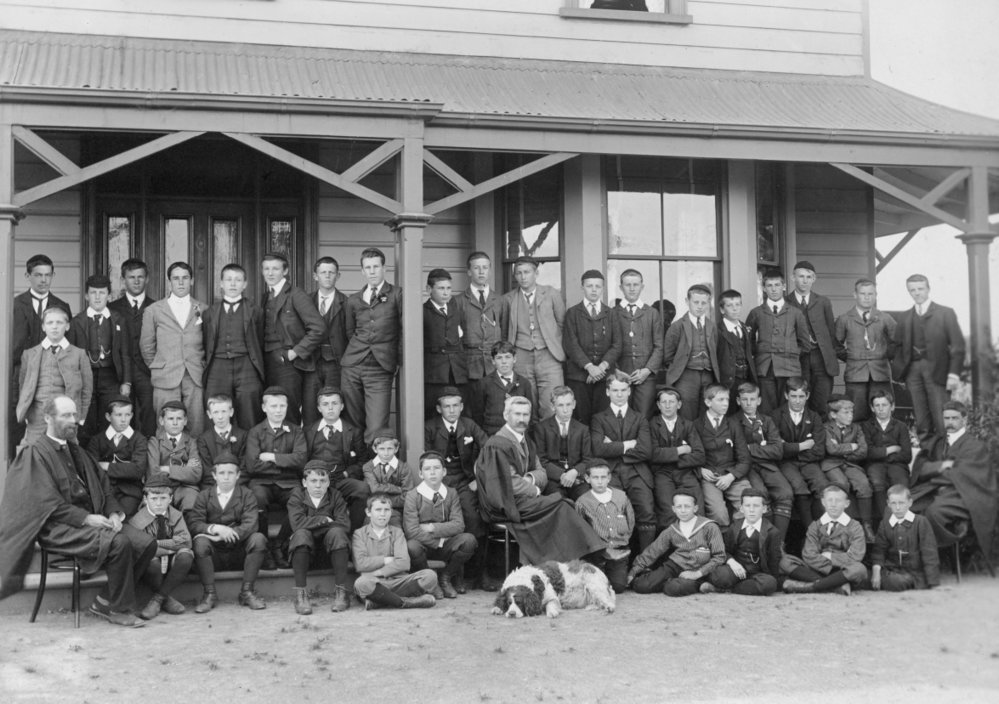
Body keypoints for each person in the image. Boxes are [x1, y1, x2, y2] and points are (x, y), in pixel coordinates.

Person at [0, 396, 156, 627]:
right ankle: (120, 610)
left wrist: (114, 513)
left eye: (74, 415)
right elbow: (44, 503)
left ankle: (104, 601)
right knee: (120, 542)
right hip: (59, 528)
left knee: (146, 544)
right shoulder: (35, 454)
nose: (73, 420)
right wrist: (86, 518)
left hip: (94, 521)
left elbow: (104, 488)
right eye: (65, 415)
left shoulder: (78, 452)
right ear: (47, 418)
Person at [475, 396, 606, 564]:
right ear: (506, 415)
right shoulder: (497, 444)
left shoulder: (526, 441)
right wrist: (535, 490)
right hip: (506, 504)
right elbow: (510, 484)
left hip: (522, 500)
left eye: (526, 414)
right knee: (562, 505)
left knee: (565, 504)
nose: (522, 419)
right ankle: (590, 556)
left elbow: (541, 472)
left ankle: (578, 558)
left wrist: (529, 478)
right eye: (517, 414)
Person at [910, 401, 997, 558]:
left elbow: (964, 475)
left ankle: (931, 555)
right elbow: (921, 468)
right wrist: (942, 465)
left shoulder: (974, 446)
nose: (950, 422)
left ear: (964, 420)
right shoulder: (938, 443)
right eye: (946, 418)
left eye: (954, 418)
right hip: (933, 490)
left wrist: (937, 473)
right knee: (906, 506)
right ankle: (912, 554)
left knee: (933, 513)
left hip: (963, 494)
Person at [188, 451, 268, 612]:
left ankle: (247, 591)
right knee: (200, 541)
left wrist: (227, 533)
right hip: (214, 555)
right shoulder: (204, 496)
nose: (226, 477)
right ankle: (209, 593)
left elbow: (250, 524)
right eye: (222, 473)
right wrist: (215, 529)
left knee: (258, 539)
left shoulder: (247, 495)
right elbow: (195, 523)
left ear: (238, 475)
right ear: (214, 475)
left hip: (239, 552)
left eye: (230, 473)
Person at [892, 273, 965, 440]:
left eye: (920, 289)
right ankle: (928, 458)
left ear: (928, 289)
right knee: (921, 417)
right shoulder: (904, 317)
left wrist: (953, 374)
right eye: (912, 290)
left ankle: (946, 458)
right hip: (913, 371)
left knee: (942, 416)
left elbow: (958, 345)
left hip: (938, 370)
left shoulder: (945, 313)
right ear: (908, 292)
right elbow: (897, 346)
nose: (917, 293)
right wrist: (901, 372)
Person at [341, 247, 403, 443]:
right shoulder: (353, 300)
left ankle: (371, 469)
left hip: (380, 367)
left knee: (376, 425)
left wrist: (397, 359)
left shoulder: (396, 294)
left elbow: (403, 330)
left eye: (376, 266)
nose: (372, 271)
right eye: (368, 267)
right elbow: (350, 331)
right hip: (352, 365)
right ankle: (357, 463)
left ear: (384, 268)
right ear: (362, 271)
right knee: (352, 420)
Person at [11, 255, 73, 449]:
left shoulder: (62, 306)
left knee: (51, 420)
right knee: (17, 420)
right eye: (38, 275)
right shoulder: (13, 305)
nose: (43, 280)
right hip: (19, 372)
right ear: (27, 275)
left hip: (51, 374)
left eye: (48, 275)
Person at [590, 371, 656, 550]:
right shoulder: (598, 419)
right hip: (612, 473)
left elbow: (646, 451)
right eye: (615, 390)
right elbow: (598, 449)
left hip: (637, 473)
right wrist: (628, 444)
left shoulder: (640, 418)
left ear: (629, 391)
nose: (619, 395)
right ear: (607, 392)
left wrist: (614, 447)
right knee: (614, 515)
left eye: (623, 390)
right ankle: (617, 565)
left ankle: (645, 565)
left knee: (647, 512)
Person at [139, 261, 206, 436]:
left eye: (185, 278)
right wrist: (159, 365)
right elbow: (147, 346)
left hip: (195, 375)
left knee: (196, 423)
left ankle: (193, 462)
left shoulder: (203, 309)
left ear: (191, 281)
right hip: (165, 375)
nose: (181, 282)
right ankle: (166, 462)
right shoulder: (154, 310)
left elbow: (209, 342)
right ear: (170, 282)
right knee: (166, 424)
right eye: (176, 278)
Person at [259, 253, 325, 425]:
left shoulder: (296, 295)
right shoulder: (265, 297)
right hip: (266, 361)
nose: (270, 273)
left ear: (285, 271)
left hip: (287, 363)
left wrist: (295, 352)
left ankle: (292, 451)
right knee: (270, 410)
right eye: (266, 269)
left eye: (275, 268)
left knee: (287, 410)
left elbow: (318, 328)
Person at [245, 386, 307, 569]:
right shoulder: (255, 432)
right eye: (273, 406)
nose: (278, 410)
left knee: (300, 499)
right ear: (264, 408)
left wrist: (271, 457)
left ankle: (278, 544)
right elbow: (252, 465)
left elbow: (301, 459)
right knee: (257, 498)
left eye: (282, 406)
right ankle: (263, 548)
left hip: (289, 482)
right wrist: (285, 464)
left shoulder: (296, 431)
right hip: (261, 482)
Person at [67, 274, 133, 441]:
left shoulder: (118, 320)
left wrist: (126, 382)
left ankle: (105, 458)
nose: (97, 297)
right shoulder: (76, 322)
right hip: (85, 377)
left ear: (109, 296)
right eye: (93, 293)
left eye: (102, 293)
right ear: (86, 296)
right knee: (86, 417)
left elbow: (125, 353)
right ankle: (87, 459)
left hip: (110, 376)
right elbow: (71, 356)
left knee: (108, 416)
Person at [403, 451, 478, 599]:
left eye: (436, 468)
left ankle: (446, 577)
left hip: (446, 544)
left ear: (444, 472)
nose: (432, 473)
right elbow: (412, 530)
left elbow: (458, 525)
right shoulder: (413, 495)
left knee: (469, 540)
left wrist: (432, 527)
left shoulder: (451, 493)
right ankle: (431, 582)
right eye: (427, 469)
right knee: (411, 545)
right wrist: (437, 541)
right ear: (420, 473)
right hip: (424, 545)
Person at [627, 491, 727, 596]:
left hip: (700, 567)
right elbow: (652, 552)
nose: (683, 510)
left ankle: (699, 584)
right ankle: (674, 581)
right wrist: (633, 571)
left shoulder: (709, 527)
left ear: (695, 508)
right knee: (641, 585)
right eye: (679, 507)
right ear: (674, 509)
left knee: (674, 588)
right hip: (676, 565)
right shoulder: (671, 530)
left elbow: (719, 557)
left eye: (687, 506)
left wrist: (697, 574)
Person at [202, 263, 265, 431]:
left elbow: (259, 339)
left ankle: (250, 454)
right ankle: (217, 454)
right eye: (228, 280)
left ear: (245, 284)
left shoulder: (256, 311)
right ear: (221, 283)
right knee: (216, 409)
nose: (232, 284)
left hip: (246, 365)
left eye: (238, 280)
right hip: (218, 365)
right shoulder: (209, 312)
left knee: (249, 411)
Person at [501, 256, 566, 419]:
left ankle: (550, 442)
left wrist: (553, 344)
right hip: (521, 355)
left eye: (527, 272)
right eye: (519, 273)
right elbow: (504, 330)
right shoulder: (508, 299)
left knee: (551, 403)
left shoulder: (551, 293)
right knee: (526, 402)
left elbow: (562, 323)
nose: (523, 277)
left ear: (536, 273)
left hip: (548, 355)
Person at [16, 306, 92, 445]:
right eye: (50, 323)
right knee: (35, 455)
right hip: (37, 416)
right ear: (43, 327)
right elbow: (23, 386)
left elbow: (87, 389)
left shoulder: (79, 354)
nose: (55, 327)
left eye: (59, 322)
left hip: (66, 416)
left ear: (67, 326)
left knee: (66, 457)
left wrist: (80, 418)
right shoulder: (30, 354)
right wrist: (26, 414)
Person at [286, 460, 352, 614]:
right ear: (304, 482)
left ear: (328, 482)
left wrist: (314, 526)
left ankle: (341, 593)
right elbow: (297, 524)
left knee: (337, 533)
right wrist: (324, 520)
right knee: (301, 534)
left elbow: (344, 525)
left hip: (330, 552)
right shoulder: (297, 496)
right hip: (304, 553)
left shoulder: (335, 496)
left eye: (322, 481)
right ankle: (301, 595)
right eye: (313, 481)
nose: (318, 486)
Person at [352, 493, 438, 610]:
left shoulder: (397, 532)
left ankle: (381, 601)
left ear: (391, 512)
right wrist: (386, 560)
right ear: (368, 512)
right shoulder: (359, 534)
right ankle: (406, 602)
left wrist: (378, 572)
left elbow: (403, 563)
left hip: (399, 581)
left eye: (386, 510)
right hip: (375, 582)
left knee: (430, 576)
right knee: (361, 584)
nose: (382, 514)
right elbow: (361, 563)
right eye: (378, 510)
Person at [127, 473, 194, 620]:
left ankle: (158, 599)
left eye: (163, 498)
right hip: (151, 565)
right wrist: (171, 546)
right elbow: (141, 549)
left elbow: (186, 541)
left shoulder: (175, 515)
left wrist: (157, 544)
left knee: (186, 555)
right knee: (151, 560)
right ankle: (165, 598)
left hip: (171, 563)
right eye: (154, 498)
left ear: (170, 498)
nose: (158, 503)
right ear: (145, 499)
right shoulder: (137, 521)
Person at [304, 386, 371, 530]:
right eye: (325, 404)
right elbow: (301, 458)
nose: (330, 408)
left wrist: (347, 473)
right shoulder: (308, 431)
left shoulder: (353, 431)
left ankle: (354, 531)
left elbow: (363, 461)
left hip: (340, 479)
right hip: (316, 480)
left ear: (342, 406)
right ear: (319, 408)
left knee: (362, 488)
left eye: (334, 403)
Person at [745, 270, 811, 414]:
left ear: (784, 286)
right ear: (763, 288)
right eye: (769, 285)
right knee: (766, 408)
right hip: (765, 367)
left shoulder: (795, 313)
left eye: (777, 285)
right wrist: (760, 353)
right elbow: (748, 342)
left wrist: (791, 352)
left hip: (789, 368)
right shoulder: (756, 312)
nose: (773, 289)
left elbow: (805, 343)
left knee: (787, 407)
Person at [734, 382, 794, 542]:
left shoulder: (767, 421)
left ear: (759, 400)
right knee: (760, 495)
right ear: (738, 401)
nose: (749, 403)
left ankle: (778, 543)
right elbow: (737, 452)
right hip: (748, 468)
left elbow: (778, 450)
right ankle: (765, 542)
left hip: (769, 466)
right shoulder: (733, 421)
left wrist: (750, 447)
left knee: (785, 493)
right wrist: (763, 447)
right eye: (744, 399)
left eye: (752, 399)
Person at [782, 484, 867, 595]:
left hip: (843, 570)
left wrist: (830, 556)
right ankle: (834, 585)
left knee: (859, 569)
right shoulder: (815, 526)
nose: (833, 504)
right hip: (817, 569)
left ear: (846, 504)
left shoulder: (855, 527)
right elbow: (809, 555)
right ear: (823, 502)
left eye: (838, 501)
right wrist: (829, 565)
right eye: (830, 500)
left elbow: (856, 556)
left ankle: (810, 587)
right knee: (785, 561)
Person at [835, 278, 897, 423]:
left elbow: (898, 341)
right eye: (863, 293)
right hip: (855, 374)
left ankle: (883, 444)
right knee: (855, 413)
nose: (867, 297)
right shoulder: (844, 319)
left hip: (880, 373)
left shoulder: (884, 318)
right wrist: (852, 358)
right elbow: (835, 345)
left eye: (871, 293)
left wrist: (885, 356)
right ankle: (860, 444)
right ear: (855, 295)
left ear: (876, 295)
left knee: (882, 412)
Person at [108, 258, 157, 436]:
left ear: (147, 279)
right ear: (123, 280)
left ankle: (146, 455)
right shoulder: (112, 308)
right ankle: (125, 455)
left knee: (149, 413)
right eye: (131, 277)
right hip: (120, 372)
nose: (136, 281)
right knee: (121, 414)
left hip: (148, 371)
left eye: (140, 277)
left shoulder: (157, 307)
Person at [563, 269, 618, 425]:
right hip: (579, 377)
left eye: (598, 286)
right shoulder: (572, 313)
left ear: (603, 288)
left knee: (603, 420)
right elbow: (571, 344)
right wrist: (589, 367)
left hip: (604, 376)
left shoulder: (611, 314)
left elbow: (617, 344)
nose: (594, 290)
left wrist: (601, 367)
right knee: (581, 419)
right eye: (589, 286)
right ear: (582, 287)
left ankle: (601, 449)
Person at [457, 251, 506, 422]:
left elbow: (505, 332)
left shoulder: (500, 300)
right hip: (471, 364)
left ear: (490, 270)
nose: (481, 272)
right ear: (469, 272)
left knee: (495, 408)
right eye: (476, 268)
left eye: (485, 268)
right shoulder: (459, 301)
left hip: (495, 364)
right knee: (472, 410)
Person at [694, 384, 752, 527]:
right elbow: (691, 456)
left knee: (751, 505)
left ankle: (741, 543)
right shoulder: (696, 425)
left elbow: (745, 459)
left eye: (727, 399)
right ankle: (722, 547)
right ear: (708, 402)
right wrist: (700, 470)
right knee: (718, 513)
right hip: (710, 477)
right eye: (720, 400)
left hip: (732, 475)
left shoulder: (733, 424)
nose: (725, 403)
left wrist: (731, 476)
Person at [770, 377, 827, 524]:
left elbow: (819, 450)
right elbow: (777, 448)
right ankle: (809, 532)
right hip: (786, 463)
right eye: (793, 396)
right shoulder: (776, 416)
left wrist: (790, 448)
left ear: (807, 396)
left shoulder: (814, 417)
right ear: (786, 395)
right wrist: (803, 446)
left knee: (821, 485)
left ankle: (822, 529)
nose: (797, 401)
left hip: (809, 462)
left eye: (801, 396)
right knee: (799, 486)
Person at [785, 261, 838, 415]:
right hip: (798, 359)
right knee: (799, 398)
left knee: (822, 401)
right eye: (801, 276)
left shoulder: (823, 302)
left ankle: (820, 437)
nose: (805, 280)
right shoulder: (786, 303)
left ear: (814, 279)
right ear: (793, 277)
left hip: (821, 358)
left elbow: (831, 332)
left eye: (809, 277)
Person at [649, 386, 705, 530]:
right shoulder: (652, 425)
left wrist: (669, 457)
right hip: (662, 474)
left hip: (686, 472)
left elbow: (699, 455)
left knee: (695, 508)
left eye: (672, 402)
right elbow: (653, 454)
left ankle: (697, 546)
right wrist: (681, 450)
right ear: (658, 405)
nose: (668, 406)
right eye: (664, 402)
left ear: (679, 404)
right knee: (668, 511)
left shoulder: (687, 425)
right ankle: (672, 547)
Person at [574, 461, 635, 593]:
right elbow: (580, 530)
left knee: (618, 586)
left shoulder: (621, 497)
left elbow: (630, 522)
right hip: (597, 553)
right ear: (587, 479)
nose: (600, 482)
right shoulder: (582, 502)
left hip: (619, 551)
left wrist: (623, 540)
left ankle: (617, 572)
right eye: (595, 478)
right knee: (597, 585)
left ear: (609, 478)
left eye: (603, 477)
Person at [821, 396, 875, 542]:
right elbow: (830, 450)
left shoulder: (856, 428)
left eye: (851, 412)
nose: (850, 415)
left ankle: (866, 525)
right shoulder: (826, 428)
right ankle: (840, 527)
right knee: (841, 484)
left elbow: (863, 450)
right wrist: (851, 446)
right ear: (833, 415)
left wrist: (843, 450)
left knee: (863, 484)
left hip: (850, 463)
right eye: (845, 412)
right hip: (831, 464)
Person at [662, 284, 720, 421]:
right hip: (686, 375)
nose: (700, 306)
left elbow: (716, 349)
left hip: (708, 374)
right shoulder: (677, 327)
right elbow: (668, 356)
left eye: (704, 303)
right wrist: (680, 368)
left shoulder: (712, 326)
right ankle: (687, 440)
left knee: (707, 410)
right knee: (687, 410)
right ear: (687, 302)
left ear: (708, 303)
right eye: (696, 302)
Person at [709, 489, 782, 596]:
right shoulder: (734, 527)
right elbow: (725, 551)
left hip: (757, 574)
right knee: (720, 575)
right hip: (736, 570)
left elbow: (774, 559)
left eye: (756, 506)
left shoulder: (772, 532)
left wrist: (773, 581)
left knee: (769, 584)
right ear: (741, 509)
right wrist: (732, 562)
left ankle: (733, 589)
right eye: (747, 506)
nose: (751, 510)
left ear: (764, 509)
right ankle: (737, 585)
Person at [304, 256, 350, 425]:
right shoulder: (305, 302)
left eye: (331, 272)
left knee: (334, 406)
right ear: (316, 276)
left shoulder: (347, 302)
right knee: (310, 407)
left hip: (336, 363)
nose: (327, 276)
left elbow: (351, 334)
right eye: (323, 272)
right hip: (310, 363)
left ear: (338, 276)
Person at [613, 269, 663, 419]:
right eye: (628, 285)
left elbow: (659, 346)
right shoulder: (612, 313)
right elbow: (608, 345)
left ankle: (641, 443)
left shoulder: (652, 313)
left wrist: (647, 370)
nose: (632, 288)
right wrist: (616, 371)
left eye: (636, 284)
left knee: (643, 415)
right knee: (621, 415)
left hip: (646, 377)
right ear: (621, 287)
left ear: (642, 286)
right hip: (621, 374)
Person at [870, 485, 940, 591]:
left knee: (898, 582)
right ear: (888, 504)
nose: (897, 507)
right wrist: (876, 574)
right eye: (893, 503)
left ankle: (888, 583)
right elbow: (879, 551)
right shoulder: (885, 524)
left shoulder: (920, 522)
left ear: (910, 503)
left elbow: (929, 553)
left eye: (901, 503)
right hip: (892, 570)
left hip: (913, 573)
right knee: (864, 576)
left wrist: (933, 583)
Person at [87, 396, 148, 517]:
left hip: (130, 491)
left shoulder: (138, 439)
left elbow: (137, 470)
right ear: (108, 417)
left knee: (124, 516)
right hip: (103, 490)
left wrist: (107, 466)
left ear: (132, 415)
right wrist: (124, 469)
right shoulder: (97, 440)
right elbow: (92, 468)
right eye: (118, 415)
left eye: (127, 415)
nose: (123, 420)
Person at [423, 268, 469, 418]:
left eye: (449, 288)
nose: (446, 293)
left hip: (457, 371)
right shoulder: (423, 312)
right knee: (434, 411)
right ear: (429, 289)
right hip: (435, 373)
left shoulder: (456, 310)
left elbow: (462, 334)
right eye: (441, 288)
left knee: (458, 410)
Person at [534, 386, 593, 502]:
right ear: (552, 406)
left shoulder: (582, 429)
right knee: (559, 502)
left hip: (576, 478)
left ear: (574, 404)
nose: (565, 410)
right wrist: (561, 475)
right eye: (560, 405)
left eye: (568, 404)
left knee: (586, 500)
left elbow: (588, 459)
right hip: (553, 479)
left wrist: (575, 472)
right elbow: (541, 460)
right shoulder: (542, 428)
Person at [861, 390, 912, 523]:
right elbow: (867, 452)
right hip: (874, 465)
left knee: (900, 483)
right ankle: (887, 522)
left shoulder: (901, 426)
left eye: (884, 405)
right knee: (877, 482)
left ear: (892, 406)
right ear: (872, 408)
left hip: (897, 464)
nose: (881, 409)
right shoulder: (866, 426)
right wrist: (891, 449)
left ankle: (903, 521)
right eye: (877, 405)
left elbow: (907, 455)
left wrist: (884, 456)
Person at [147, 400, 203, 513]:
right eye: (171, 419)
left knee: (191, 502)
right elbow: (154, 472)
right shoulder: (155, 442)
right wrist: (185, 469)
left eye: (179, 419)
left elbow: (196, 473)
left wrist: (167, 469)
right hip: (160, 487)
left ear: (185, 421)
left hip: (186, 488)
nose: (175, 423)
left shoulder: (192, 443)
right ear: (162, 421)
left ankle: (188, 530)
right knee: (150, 506)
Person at [475, 340, 535, 435]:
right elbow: (478, 415)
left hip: (518, 434)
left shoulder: (524, 383)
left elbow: (531, 415)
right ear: (493, 361)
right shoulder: (484, 383)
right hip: (493, 435)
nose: (504, 362)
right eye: (499, 358)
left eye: (508, 357)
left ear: (514, 359)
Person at [362, 428, 415, 527]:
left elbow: (407, 496)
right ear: (374, 449)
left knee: (395, 529)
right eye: (381, 449)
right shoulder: (368, 467)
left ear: (396, 448)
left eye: (390, 449)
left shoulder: (403, 468)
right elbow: (374, 489)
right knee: (368, 529)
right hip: (374, 510)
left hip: (395, 511)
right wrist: (397, 489)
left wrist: (386, 503)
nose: (386, 453)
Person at [715, 289, 755, 415]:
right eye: (730, 305)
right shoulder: (717, 331)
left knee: (745, 413)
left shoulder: (745, 328)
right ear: (722, 310)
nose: (735, 309)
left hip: (746, 379)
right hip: (728, 381)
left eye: (738, 305)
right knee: (729, 414)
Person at [196, 394, 248, 487]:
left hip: (238, 484)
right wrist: (220, 486)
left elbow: (244, 466)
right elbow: (207, 469)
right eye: (215, 412)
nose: (220, 417)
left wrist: (232, 485)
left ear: (231, 412)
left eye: (224, 411)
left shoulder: (243, 435)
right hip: (212, 484)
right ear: (209, 414)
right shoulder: (203, 439)